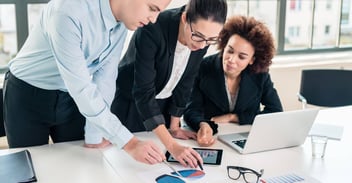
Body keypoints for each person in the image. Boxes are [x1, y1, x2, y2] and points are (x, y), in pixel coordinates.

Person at [3, 0, 172, 165]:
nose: (154, 19)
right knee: (30, 165)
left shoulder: (122, 21)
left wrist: (94, 135)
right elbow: (81, 88)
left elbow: (105, 78)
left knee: (80, 161)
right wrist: (130, 142)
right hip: (27, 94)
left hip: (70, 96)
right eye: (152, 8)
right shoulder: (67, 11)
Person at [110, 0, 227, 168]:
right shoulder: (153, 27)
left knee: (159, 167)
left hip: (162, 105)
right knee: (128, 166)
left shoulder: (203, 37)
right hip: (131, 103)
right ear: (185, 18)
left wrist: (174, 126)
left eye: (210, 40)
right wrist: (172, 145)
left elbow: (187, 79)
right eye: (198, 36)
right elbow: (143, 92)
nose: (202, 45)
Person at [183, 15, 283, 147]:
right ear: (224, 45)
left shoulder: (260, 74)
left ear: (252, 60)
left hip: (244, 138)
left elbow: (275, 111)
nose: (231, 59)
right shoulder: (203, 67)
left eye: (241, 57)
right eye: (229, 51)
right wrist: (203, 124)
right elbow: (191, 110)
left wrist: (234, 117)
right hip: (211, 137)